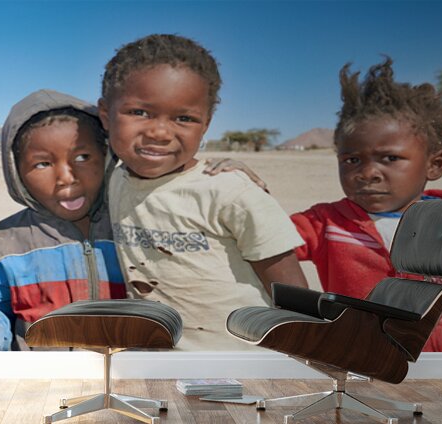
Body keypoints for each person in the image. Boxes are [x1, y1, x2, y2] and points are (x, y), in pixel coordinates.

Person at [98, 34, 308, 351]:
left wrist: (293, 360)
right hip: (156, 359)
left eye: (184, 118)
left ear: (206, 125)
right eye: (140, 112)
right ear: (105, 115)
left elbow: (290, 289)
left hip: (243, 360)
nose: (159, 132)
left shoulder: (230, 189)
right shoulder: (113, 179)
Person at [292, 58, 442, 352]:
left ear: (435, 164)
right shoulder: (325, 225)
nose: (368, 173)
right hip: (368, 372)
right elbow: (266, 235)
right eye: (351, 160)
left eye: (390, 158)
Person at [0, 89, 127, 351]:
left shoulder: (134, 229)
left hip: (131, 377)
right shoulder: (1, 247)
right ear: (16, 173)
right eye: (42, 164)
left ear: (107, 155)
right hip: (43, 384)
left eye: (82, 157)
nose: (67, 177)